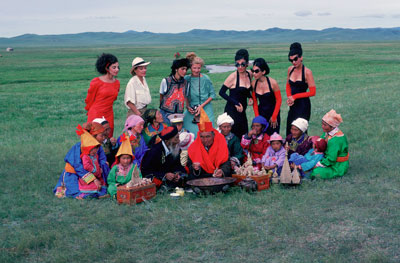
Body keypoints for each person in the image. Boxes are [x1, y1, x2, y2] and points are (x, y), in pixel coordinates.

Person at [54, 122, 110, 199]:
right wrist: (93, 179)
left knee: (101, 188)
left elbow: (102, 160)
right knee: (75, 191)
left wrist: (101, 169)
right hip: (75, 173)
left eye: (104, 135)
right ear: (93, 136)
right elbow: (77, 166)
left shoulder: (98, 147)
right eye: (102, 135)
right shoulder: (79, 147)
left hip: (93, 172)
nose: (104, 138)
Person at [187, 108, 231, 180]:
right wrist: (195, 168)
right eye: (202, 137)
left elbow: (226, 162)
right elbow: (189, 165)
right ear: (199, 136)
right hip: (202, 176)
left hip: (217, 175)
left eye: (208, 137)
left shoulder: (221, 142)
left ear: (213, 136)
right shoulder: (194, 146)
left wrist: (222, 171)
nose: (205, 140)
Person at [219, 49, 253, 138]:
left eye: (242, 64)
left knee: (244, 134)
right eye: (237, 64)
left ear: (247, 63)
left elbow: (246, 90)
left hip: (242, 111)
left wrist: (250, 97)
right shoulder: (233, 76)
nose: (240, 67)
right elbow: (221, 92)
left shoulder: (249, 74)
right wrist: (236, 103)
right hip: (232, 111)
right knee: (232, 136)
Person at [85, 53, 120, 137]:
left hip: (109, 113)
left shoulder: (117, 83)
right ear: (106, 68)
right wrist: (90, 113)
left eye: (118, 67)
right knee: (94, 137)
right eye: (114, 67)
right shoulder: (96, 82)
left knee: (108, 137)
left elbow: (113, 98)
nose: (117, 69)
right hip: (96, 113)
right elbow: (89, 99)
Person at [286, 42, 316, 136]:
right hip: (293, 105)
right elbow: (288, 85)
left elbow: (313, 92)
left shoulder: (307, 72)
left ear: (301, 57)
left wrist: (295, 96)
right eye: (291, 60)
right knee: (290, 128)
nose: (294, 62)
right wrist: (290, 97)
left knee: (300, 130)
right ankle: (289, 150)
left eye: (295, 59)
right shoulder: (290, 69)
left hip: (303, 105)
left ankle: (303, 150)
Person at [183, 52, 216, 135]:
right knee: (186, 129)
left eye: (198, 68)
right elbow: (185, 95)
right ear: (190, 68)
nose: (196, 70)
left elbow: (212, 95)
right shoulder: (186, 79)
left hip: (205, 107)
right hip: (192, 110)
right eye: (194, 68)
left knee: (207, 131)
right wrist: (187, 106)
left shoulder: (205, 79)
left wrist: (201, 106)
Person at [311, 110, 349, 179]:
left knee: (316, 172)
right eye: (322, 124)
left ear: (332, 126)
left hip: (337, 165)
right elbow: (321, 143)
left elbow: (331, 159)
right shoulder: (327, 133)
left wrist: (317, 165)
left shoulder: (336, 139)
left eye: (325, 125)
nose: (322, 126)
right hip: (327, 159)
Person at [251, 58, 282, 135]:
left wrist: (274, 116)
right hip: (261, 112)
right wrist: (257, 118)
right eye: (253, 71)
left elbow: (279, 100)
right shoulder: (253, 84)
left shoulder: (273, 83)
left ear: (263, 72)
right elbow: (255, 102)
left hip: (273, 112)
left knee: (273, 137)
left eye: (256, 71)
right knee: (260, 137)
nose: (254, 73)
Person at [159, 58, 190, 125]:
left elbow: (186, 97)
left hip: (179, 115)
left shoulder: (186, 83)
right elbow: (161, 96)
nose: (185, 71)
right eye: (182, 69)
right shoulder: (166, 81)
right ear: (176, 69)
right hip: (166, 114)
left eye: (186, 69)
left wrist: (188, 107)